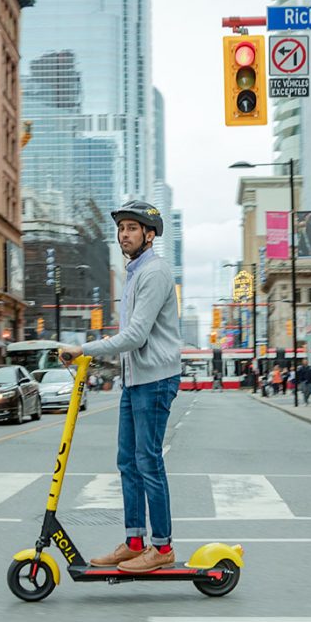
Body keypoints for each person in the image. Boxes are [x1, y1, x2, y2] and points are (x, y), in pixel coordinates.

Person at [59, 200, 180, 574]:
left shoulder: (155, 272)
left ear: (149, 234)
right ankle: (133, 542)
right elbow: (129, 338)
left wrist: (85, 349)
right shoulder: (133, 274)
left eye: (131, 228)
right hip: (135, 380)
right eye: (122, 228)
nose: (123, 234)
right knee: (127, 462)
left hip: (155, 379)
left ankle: (161, 548)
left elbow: (135, 335)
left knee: (148, 462)